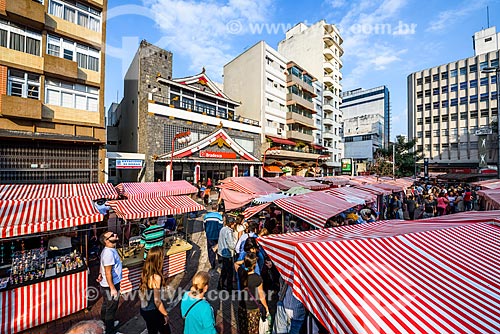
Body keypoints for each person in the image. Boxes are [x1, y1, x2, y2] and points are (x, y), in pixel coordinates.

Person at [139, 246, 170, 334]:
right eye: (162, 256)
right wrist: (165, 314)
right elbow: (157, 301)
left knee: (152, 330)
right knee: (165, 331)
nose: (164, 257)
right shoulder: (156, 277)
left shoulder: (145, 270)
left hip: (144, 309)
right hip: (153, 311)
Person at [236, 252, 269, 334]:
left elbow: (235, 264)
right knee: (253, 330)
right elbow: (261, 295)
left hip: (242, 306)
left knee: (243, 328)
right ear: (254, 265)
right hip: (253, 309)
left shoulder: (241, 272)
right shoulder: (257, 278)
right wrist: (266, 307)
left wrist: (244, 261)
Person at [99, 231, 123, 334]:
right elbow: (108, 273)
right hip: (110, 285)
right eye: (112, 235)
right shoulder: (108, 253)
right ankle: (110, 331)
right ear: (106, 241)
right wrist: (113, 288)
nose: (115, 235)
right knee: (111, 308)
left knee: (106, 305)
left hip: (106, 284)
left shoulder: (109, 250)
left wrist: (100, 274)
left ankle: (104, 324)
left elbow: (102, 266)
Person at [203, 204, 224, 270]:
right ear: (217, 208)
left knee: (210, 249)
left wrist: (207, 232)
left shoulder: (206, 216)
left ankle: (212, 263)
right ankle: (220, 260)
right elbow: (220, 227)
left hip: (209, 235)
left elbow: (204, 226)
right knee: (219, 247)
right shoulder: (219, 216)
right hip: (217, 235)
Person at [217, 219, 236, 291]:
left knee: (224, 271)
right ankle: (229, 288)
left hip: (222, 252)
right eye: (234, 224)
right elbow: (231, 245)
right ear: (231, 224)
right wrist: (236, 246)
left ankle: (220, 285)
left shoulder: (223, 228)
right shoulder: (228, 231)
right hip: (227, 254)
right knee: (229, 272)